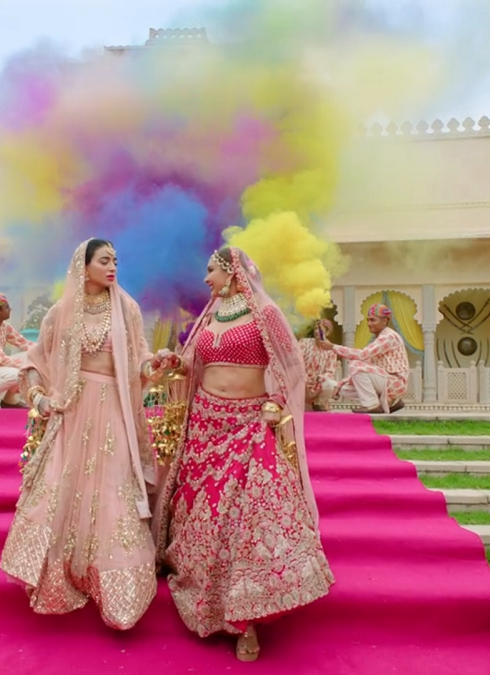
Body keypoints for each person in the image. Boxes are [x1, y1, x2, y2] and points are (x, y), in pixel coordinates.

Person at [153, 246, 334, 662]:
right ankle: (209, 598)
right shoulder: (210, 316)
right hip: (204, 426)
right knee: (204, 519)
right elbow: (191, 366)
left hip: (249, 426)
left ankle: (246, 619)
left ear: (233, 273)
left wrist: (274, 401)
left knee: (249, 516)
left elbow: (290, 365)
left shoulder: (264, 315)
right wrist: (171, 363)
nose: (205, 279)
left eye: (211, 270)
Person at [0, 238, 171, 630]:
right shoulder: (62, 312)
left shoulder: (126, 309)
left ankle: (117, 591)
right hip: (72, 413)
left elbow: (140, 357)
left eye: (116, 261)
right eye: (105, 260)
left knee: (112, 491)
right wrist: (40, 398)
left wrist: (154, 364)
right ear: (84, 265)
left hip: (114, 411)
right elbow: (36, 360)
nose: (113, 267)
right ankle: (60, 578)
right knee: (63, 488)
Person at [317, 303, 409, 414]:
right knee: (343, 389)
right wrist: (340, 384)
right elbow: (365, 362)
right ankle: (390, 403)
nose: (369, 324)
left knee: (356, 364)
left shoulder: (388, 337)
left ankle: (373, 406)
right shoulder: (380, 337)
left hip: (395, 382)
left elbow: (362, 355)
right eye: (368, 320)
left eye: (373, 320)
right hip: (384, 380)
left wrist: (333, 347)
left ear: (384, 321)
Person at [299, 318, 339, 411]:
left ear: (328, 332)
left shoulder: (331, 350)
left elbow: (330, 372)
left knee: (331, 384)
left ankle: (318, 404)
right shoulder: (304, 342)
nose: (317, 331)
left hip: (318, 384)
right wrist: (305, 377)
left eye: (320, 329)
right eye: (315, 328)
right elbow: (297, 363)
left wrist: (320, 378)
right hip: (303, 382)